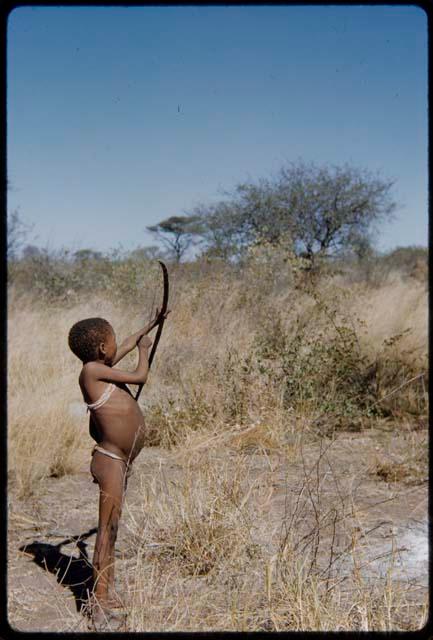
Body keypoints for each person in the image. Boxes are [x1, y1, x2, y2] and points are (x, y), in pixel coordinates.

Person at [68, 309, 168, 630]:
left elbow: (125, 342)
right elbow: (140, 376)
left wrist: (151, 324)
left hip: (119, 461)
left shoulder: (100, 365)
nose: (117, 345)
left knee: (110, 531)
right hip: (110, 461)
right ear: (101, 349)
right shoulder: (92, 373)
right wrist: (143, 351)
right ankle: (98, 606)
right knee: (106, 534)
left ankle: (106, 594)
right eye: (111, 342)